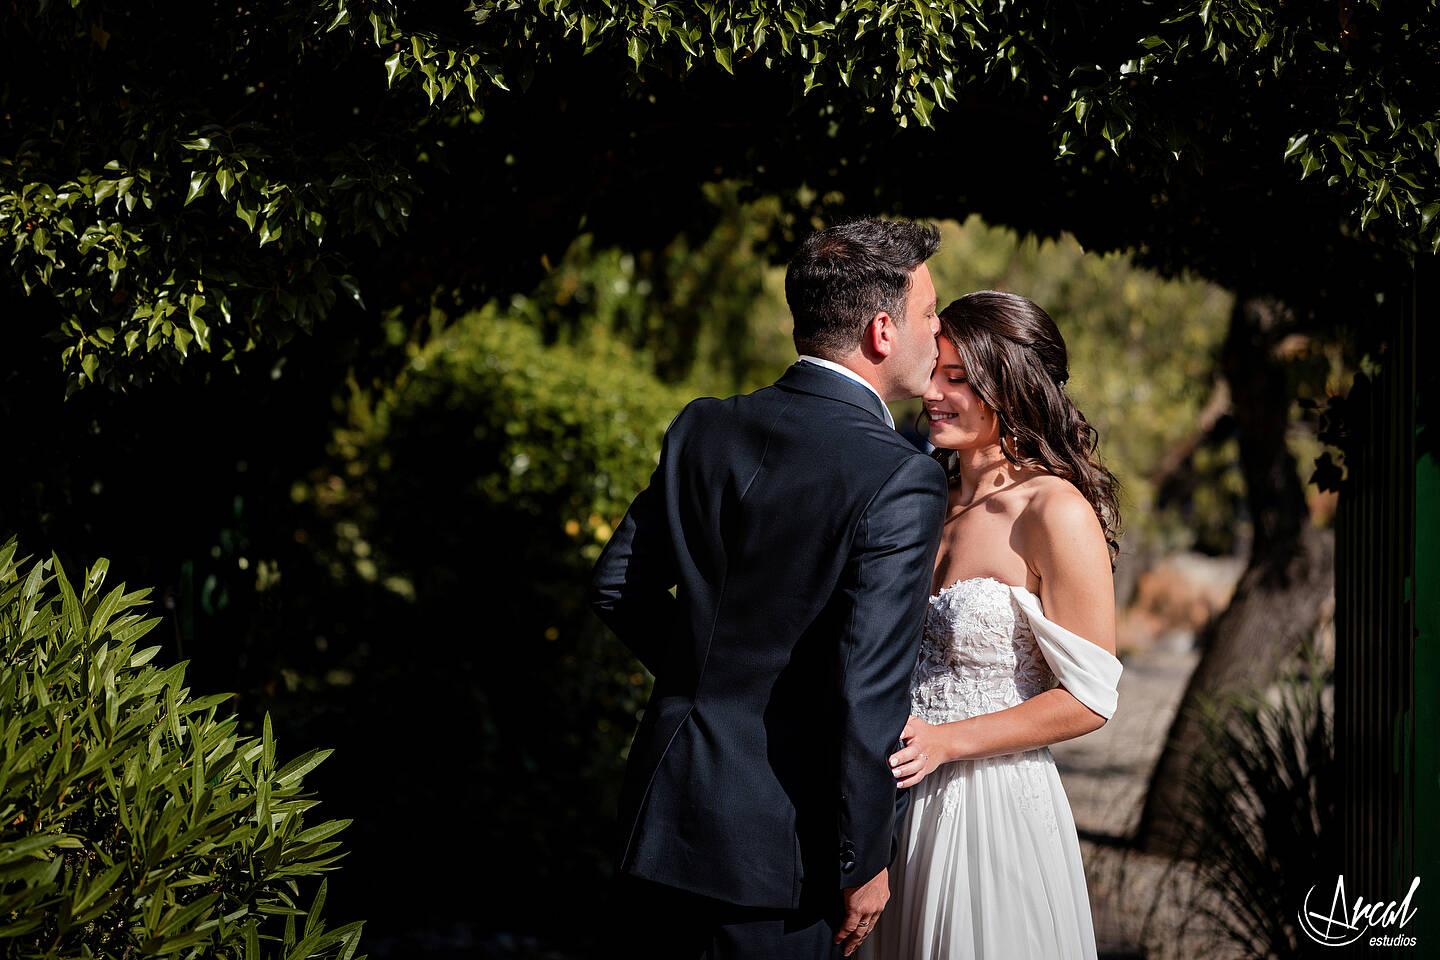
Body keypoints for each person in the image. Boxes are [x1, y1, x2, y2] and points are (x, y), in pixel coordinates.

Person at [589, 218, 950, 959]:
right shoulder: (900, 477)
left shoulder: (704, 426)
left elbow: (617, 585)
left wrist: (712, 675)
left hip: (661, 810)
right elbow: (865, 686)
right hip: (781, 849)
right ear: (883, 331)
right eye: (931, 314)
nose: (938, 335)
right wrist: (864, 860)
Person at [860, 291, 1124, 960]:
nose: (935, 395)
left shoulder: (1052, 509)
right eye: (935, 373)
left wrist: (947, 742)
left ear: (1010, 387)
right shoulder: (923, 498)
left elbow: (1091, 697)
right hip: (893, 807)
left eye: (960, 379)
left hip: (990, 808)